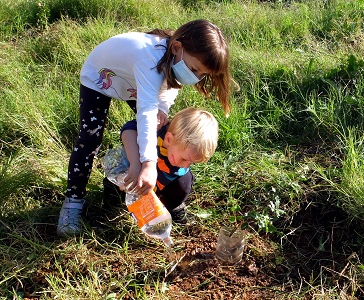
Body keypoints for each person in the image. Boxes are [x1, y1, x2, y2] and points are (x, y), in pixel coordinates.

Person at [57, 19, 234, 237]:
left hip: (133, 83)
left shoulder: (175, 59)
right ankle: (73, 202)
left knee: (158, 127)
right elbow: (146, 112)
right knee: (90, 138)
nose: (196, 78)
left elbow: (166, 92)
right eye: (195, 70)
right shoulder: (150, 59)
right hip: (100, 78)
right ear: (177, 47)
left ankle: (157, 183)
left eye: (202, 74)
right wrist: (148, 163)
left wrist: (163, 109)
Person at [111, 107, 218, 224]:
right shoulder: (155, 131)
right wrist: (135, 163)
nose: (185, 166)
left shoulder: (180, 163)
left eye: (191, 163)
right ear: (168, 139)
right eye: (184, 159)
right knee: (113, 183)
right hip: (134, 174)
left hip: (161, 183)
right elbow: (128, 130)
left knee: (184, 183)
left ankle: (171, 206)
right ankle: (111, 210)